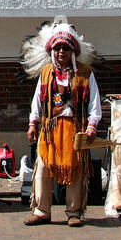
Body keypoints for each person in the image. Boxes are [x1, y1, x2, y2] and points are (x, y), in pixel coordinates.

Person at [21, 21, 101, 227]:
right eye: (57, 48)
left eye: (66, 47)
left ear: (73, 51)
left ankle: (74, 212)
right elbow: (37, 100)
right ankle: (41, 211)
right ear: (52, 51)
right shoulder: (46, 72)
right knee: (43, 169)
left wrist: (92, 126)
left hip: (75, 129)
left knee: (75, 170)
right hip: (49, 130)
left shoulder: (85, 73)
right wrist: (32, 124)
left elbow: (94, 102)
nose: (62, 52)